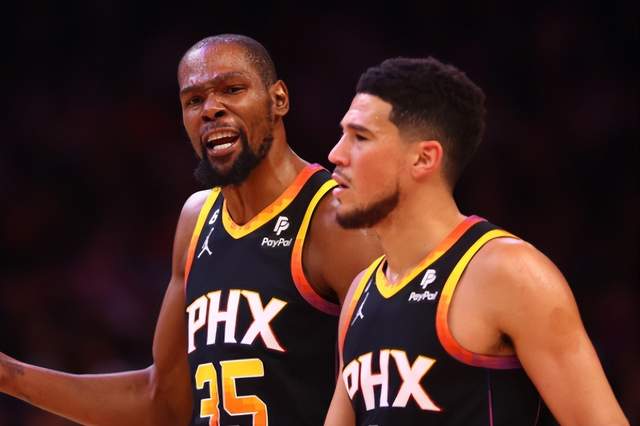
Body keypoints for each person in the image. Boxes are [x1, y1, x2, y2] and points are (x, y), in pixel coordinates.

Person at [0, 34, 381, 425]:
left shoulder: (335, 220)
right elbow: (161, 401)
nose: (211, 109)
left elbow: (386, 396)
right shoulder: (196, 220)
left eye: (232, 89)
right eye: (194, 100)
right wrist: (8, 376)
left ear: (278, 99)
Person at [323, 57, 629, 426]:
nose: (336, 154)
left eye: (360, 137)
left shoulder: (508, 272)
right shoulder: (361, 291)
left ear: (423, 158)